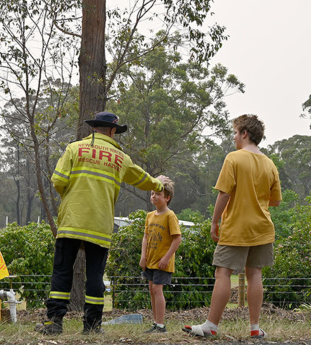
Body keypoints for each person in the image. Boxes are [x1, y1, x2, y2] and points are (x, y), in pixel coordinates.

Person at [39, 111, 167, 335]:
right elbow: (142, 179)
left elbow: (58, 180)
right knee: (95, 275)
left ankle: (54, 323)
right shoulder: (120, 158)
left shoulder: (74, 148)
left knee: (62, 271)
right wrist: (158, 184)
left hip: (72, 221)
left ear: (94, 128)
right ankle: (92, 326)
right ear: (112, 131)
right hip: (99, 225)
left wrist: (70, 198)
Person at [183, 114, 282, 339]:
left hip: (236, 226)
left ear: (244, 133)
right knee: (255, 274)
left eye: (235, 133)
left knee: (223, 272)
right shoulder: (270, 163)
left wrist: (214, 221)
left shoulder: (233, 158)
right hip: (263, 228)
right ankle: (255, 328)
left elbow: (225, 192)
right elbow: (275, 201)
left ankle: (210, 326)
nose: (234, 137)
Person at [140, 179, 181, 334]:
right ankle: (156, 323)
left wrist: (166, 258)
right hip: (150, 261)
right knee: (152, 289)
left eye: (158, 194)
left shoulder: (170, 216)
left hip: (162, 263)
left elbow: (177, 238)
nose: (154, 197)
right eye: (152, 194)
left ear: (167, 198)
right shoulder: (150, 216)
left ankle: (161, 325)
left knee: (157, 289)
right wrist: (143, 256)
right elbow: (145, 236)